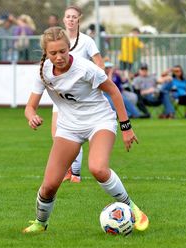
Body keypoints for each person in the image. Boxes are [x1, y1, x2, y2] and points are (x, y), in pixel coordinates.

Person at [23, 26, 149, 233]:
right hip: (69, 127)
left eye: (63, 51)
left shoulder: (85, 68)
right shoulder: (43, 71)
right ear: (46, 53)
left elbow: (115, 92)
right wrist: (32, 117)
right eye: (53, 53)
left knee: (98, 168)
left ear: (69, 47)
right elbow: (30, 107)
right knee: (49, 186)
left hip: (100, 121)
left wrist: (126, 127)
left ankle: (132, 207)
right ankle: (40, 223)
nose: (59, 56)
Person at [54, 5, 105, 183]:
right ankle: (68, 171)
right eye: (67, 16)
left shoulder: (86, 41)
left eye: (74, 17)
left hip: (80, 96)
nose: (70, 19)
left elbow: (100, 64)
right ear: (63, 19)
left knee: (75, 132)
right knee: (58, 135)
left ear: (79, 19)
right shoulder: (58, 40)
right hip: (61, 93)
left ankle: (75, 174)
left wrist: (93, 83)